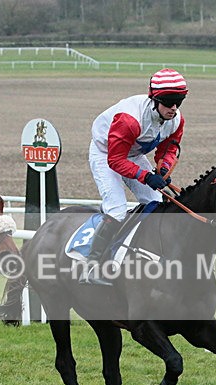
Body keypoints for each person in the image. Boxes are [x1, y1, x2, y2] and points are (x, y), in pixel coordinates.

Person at [80, 68, 188, 285]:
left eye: (179, 101)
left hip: (134, 153)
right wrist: (147, 177)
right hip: (106, 153)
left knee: (156, 203)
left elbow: (168, 149)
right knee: (117, 209)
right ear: (154, 99)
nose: (174, 108)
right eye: (168, 101)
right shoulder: (129, 120)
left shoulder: (176, 120)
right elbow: (116, 161)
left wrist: (163, 171)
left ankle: (137, 250)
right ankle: (91, 266)